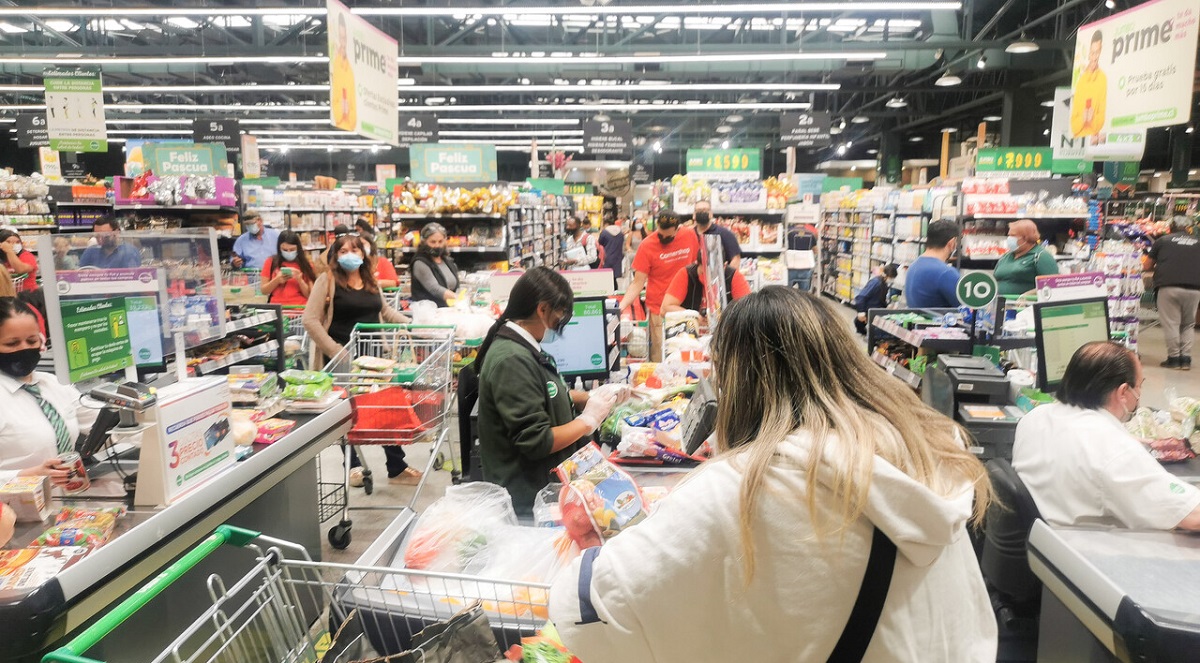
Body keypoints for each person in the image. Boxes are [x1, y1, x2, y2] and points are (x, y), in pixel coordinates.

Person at [549, 287, 996, 661]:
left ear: (737, 381)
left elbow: (585, 611)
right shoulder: (927, 452)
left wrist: (596, 538)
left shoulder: (741, 487)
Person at [475, 267, 623, 514]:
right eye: (559, 316)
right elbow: (537, 441)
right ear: (542, 309)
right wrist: (588, 421)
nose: (559, 325)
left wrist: (590, 398)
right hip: (528, 501)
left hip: (544, 489)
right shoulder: (511, 360)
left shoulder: (524, 347)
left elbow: (543, 393)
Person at [1013, 342, 1200, 530]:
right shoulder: (1116, 452)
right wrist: (1125, 446)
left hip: (1045, 539)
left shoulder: (1033, 419)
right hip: (1091, 545)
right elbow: (1194, 515)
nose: (1139, 395)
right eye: (1139, 386)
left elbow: (1082, 445)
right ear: (1123, 392)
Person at [302, 234, 414, 486]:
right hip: (343, 359)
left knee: (384, 408)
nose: (349, 255)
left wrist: (413, 324)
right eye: (342, 251)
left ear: (363, 254)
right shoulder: (327, 281)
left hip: (375, 358)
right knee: (348, 412)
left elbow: (385, 311)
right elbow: (310, 319)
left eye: (354, 250)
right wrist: (335, 350)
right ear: (335, 256)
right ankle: (353, 466)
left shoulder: (370, 279)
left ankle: (397, 466)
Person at [0, 297, 99, 486]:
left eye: (32, 341)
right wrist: (29, 475)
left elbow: (102, 422)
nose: (24, 349)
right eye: (12, 344)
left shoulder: (53, 384)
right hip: (13, 503)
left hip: (63, 497)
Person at [619, 213, 700, 361]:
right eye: (660, 234)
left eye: (668, 236)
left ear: (677, 229)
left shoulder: (689, 236)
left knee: (690, 357)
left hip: (688, 307)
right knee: (661, 357)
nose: (663, 239)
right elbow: (637, 283)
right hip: (659, 310)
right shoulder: (647, 245)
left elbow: (697, 266)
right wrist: (621, 307)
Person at [1146, 215, 1200, 370]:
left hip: (1168, 287)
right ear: (1188, 229)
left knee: (1172, 323)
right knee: (1188, 324)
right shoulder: (1198, 242)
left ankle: (1174, 359)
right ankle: (1186, 359)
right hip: (1195, 289)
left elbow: (1147, 265)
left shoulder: (1163, 241)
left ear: (1170, 228)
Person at [661, 232, 751, 321]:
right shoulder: (686, 274)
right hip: (691, 328)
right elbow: (665, 309)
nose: (707, 278)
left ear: (724, 266)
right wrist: (692, 316)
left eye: (713, 274)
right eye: (703, 272)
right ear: (696, 263)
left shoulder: (734, 277)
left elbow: (747, 311)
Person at [904, 219, 961, 308]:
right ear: (952, 243)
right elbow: (967, 309)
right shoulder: (946, 273)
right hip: (940, 317)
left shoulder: (914, 265)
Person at [994, 219, 1058, 298]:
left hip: (1024, 304)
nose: (1009, 238)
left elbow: (1052, 285)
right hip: (999, 302)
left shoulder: (1041, 256)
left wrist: (1026, 296)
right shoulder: (1006, 256)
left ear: (1026, 237)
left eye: (1013, 235)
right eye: (1009, 235)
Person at [260, 230, 315, 306]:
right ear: (279, 248)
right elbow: (264, 290)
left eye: (292, 250)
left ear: (298, 248)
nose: (288, 252)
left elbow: (310, 296)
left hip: (300, 308)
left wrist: (300, 280)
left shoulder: (306, 265)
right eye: (285, 250)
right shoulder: (271, 262)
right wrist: (276, 280)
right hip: (277, 308)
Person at [410, 222, 460, 307]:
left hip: (448, 310)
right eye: (433, 242)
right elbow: (434, 289)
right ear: (424, 242)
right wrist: (458, 298)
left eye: (440, 241)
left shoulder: (447, 261)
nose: (437, 245)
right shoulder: (420, 263)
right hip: (429, 311)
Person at [1070, 30, 1107, 141]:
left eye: (1097, 52)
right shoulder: (1080, 81)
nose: (1094, 57)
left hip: (1094, 139)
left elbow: (1102, 116)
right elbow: (1073, 125)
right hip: (1078, 138)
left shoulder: (1103, 79)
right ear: (1088, 52)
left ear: (1101, 51)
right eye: (1092, 53)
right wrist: (1082, 119)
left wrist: (1093, 119)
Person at [692, 199, 740, 268]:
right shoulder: (689, 234)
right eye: (699, 210)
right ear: (694, 215)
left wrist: (727, 274)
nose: (702, 213)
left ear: (711, 214)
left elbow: (735, 259)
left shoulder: (725, 234)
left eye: (705, 210)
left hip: (718, 273)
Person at [853, 263, 898, 334]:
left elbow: (880, 300)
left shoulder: (884, 284)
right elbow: (861, 297)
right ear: (886, 275)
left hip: (874, 313)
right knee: (865, 330)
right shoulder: (876, 283)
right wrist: (861, 313)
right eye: (891, 278)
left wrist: (887, 306)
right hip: (867, 314)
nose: (892, 280)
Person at [329, 11, 356, 130]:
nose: (342, 43)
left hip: (349, 126)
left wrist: (348, 111)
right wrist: (341, 108)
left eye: (344, 38)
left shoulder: (350, 72)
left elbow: (353, 105)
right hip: (338, 124)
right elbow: (334, 101)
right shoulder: (334, 67)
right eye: (340, 38)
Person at [597, 216, 625, 280]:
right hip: (618, 258)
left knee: (606, 277)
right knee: (614, 278)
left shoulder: (604, 232)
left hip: (606, 257)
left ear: (606, 224)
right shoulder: (620, 233)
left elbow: (600, 244)